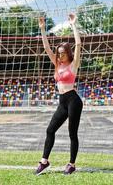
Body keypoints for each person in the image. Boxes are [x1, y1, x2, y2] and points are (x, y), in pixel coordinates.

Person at [35, 13, 83, 175]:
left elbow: (78, 43)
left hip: (74, 101)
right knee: (50, 130)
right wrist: (42, 29)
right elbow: (47, 48)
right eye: (59, 53)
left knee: (72, 133)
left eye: (62, 53)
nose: (60, 55)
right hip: (62, 101)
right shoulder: (57, 64)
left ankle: (71, 164)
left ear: (68, 53)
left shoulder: (73, 64)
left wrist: (73, 25)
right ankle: (44, 161)